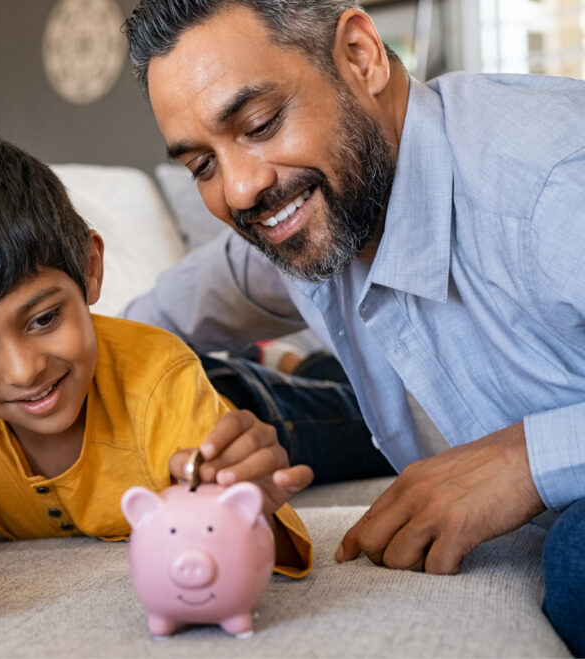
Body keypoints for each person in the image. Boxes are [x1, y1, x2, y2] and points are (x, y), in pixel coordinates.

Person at [121, 0, 585, 654]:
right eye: (202, 165)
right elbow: (127, 335)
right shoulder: (298, 224)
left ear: (361, 56)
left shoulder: (553, 183)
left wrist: (527, 458)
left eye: (258, 123)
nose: (240, 189)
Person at [0, 136, 315, 628]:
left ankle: (295, 366)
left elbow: (244, 510)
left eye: (44, 319)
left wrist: (249, 500)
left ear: (90, 268)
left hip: (245, 403)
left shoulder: (160, 377)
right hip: (185, 379)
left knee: (338, 414)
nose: (24, 370)